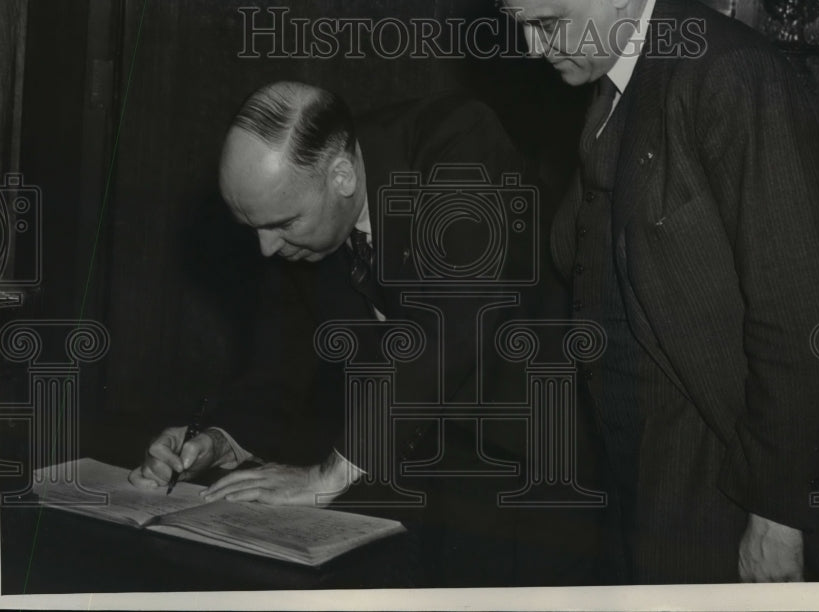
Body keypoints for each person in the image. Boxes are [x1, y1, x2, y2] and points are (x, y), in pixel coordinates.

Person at [491, 0, 819, 583]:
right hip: (634, 458)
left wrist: (777, 513)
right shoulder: (611, 76)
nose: (536, 50)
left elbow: (803, 310)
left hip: (716, 467)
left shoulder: (730, 76)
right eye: (523, 27)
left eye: (547, 23)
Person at [129, 80, 603, 585]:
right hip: (410, 470)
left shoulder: (457, 142)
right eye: (254, 228)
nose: (266, 249)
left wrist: (327, 475)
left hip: (533, 463)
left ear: (341, 176)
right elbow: (279, 358)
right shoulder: (294, 218)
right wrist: (219, 440)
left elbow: (455, 325)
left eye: (282, 224)